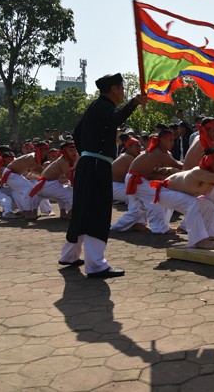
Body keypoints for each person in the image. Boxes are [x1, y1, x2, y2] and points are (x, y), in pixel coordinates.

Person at [58, 73, 147, 278]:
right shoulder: (105, 106)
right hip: (97, 164)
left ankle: (69, 256)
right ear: (114, 89)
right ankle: (96, 265)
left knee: (83, 210)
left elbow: (77, 133)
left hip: (88, 163)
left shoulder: (94, 107)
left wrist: (86, 153)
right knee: (97, 212)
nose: (123, 92)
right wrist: (133, 102)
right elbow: (116, 118)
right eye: (122, 88)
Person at [109, 137, 149, 233]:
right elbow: (145, 172)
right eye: (137, 146)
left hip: (116, 186)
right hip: (113, 187)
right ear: (129, 147)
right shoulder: (128, 158)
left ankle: (138, 224)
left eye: (140, 145)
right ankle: (117, 227)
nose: (140, 148)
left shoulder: (128, 156)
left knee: (139, 199)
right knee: (138, 199)